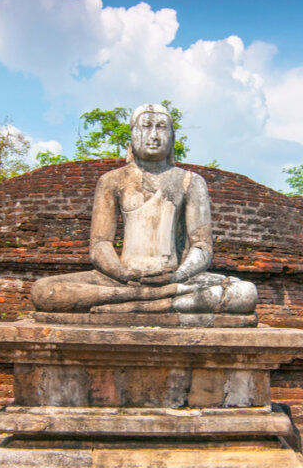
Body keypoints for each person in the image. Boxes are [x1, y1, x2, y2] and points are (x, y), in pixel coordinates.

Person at [31, 103, 257, 314]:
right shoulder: (112, 181)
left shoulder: (190, 181)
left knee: (246, 293)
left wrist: (177, 275)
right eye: (145, 127)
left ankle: (144, 302)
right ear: (132, 134)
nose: (154, 136)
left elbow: (202, 247)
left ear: (172, 137)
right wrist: (123, 273)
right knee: (43, 291)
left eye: (161, 128)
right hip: (121, 279)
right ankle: (156, 299)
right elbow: (100, 245)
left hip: (176, 277)